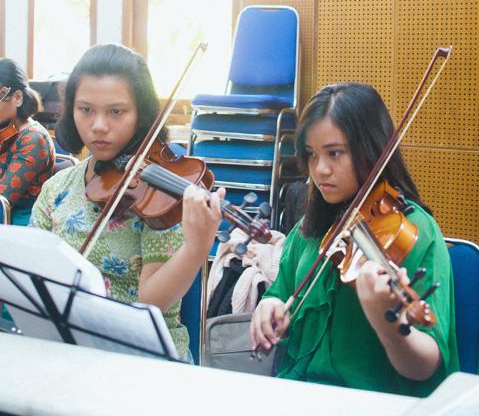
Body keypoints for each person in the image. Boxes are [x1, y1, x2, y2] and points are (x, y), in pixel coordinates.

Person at [250, 83, 459, 396]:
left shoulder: (416, 232)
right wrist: (270, 305)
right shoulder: (311, 227)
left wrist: (387, 323)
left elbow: (426, 366)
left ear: (371, 149)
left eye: (334, 153)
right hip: (298, 394)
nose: (320, 169)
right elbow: (280, 292)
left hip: (377, 405)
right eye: (311, 155)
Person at [30, 43, 224, 361]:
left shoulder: (158, 193)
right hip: (67, 346)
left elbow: (151, 302)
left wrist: (196, 249)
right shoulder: (56, 189)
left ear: (141, 115)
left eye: (116, 111)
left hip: (141, 354)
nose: (99, 125)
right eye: (86, 110)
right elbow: (31, 273)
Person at [0, 58, 55, 225]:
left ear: (17, 97)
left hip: (19, 222)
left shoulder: (34, 138)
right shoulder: (6, 128)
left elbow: (3, 199)